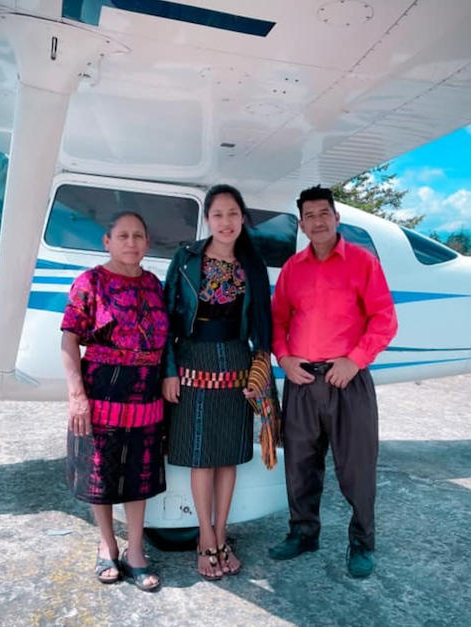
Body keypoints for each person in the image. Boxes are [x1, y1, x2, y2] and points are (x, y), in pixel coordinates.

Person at [268, 185, 398, 579]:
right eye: (309, 216)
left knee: (357, 468)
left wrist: (354, 361)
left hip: (348, 381)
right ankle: (303, 533)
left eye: (324, 213)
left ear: (337, 218)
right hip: (302, 381)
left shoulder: (363, 262)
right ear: (302, 225)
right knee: (300, 466)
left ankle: (362, 543)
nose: (318, 221)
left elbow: (384, 319)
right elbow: (278, 320)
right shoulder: (293, 268)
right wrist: (285, 358)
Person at [162, 184, 275, 581]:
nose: (226, 222)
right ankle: (205, 538)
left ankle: (221, 533)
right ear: (207, 219)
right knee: (201, 455)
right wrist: (169, 370)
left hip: (238, 364)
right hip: (194, 361)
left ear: (242, 218)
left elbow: (262, 325)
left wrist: (261, 372)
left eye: (233, 214)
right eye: (218, 215)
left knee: (228, 454)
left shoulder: (252, 265)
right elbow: (167, 319)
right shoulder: (186, 258)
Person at [61, 211, 168, 592]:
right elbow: (69, 341)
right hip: (101, 391)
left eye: (138, 235)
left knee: (139, 474)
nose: (131, 242)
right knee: (101, 473)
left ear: (147, 243)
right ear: (107, 242)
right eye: (123, 235)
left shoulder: (154, 285)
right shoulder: (89, 283)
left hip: (146, 393)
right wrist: (77, 396)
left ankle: (135, 549)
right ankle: (107, 544)